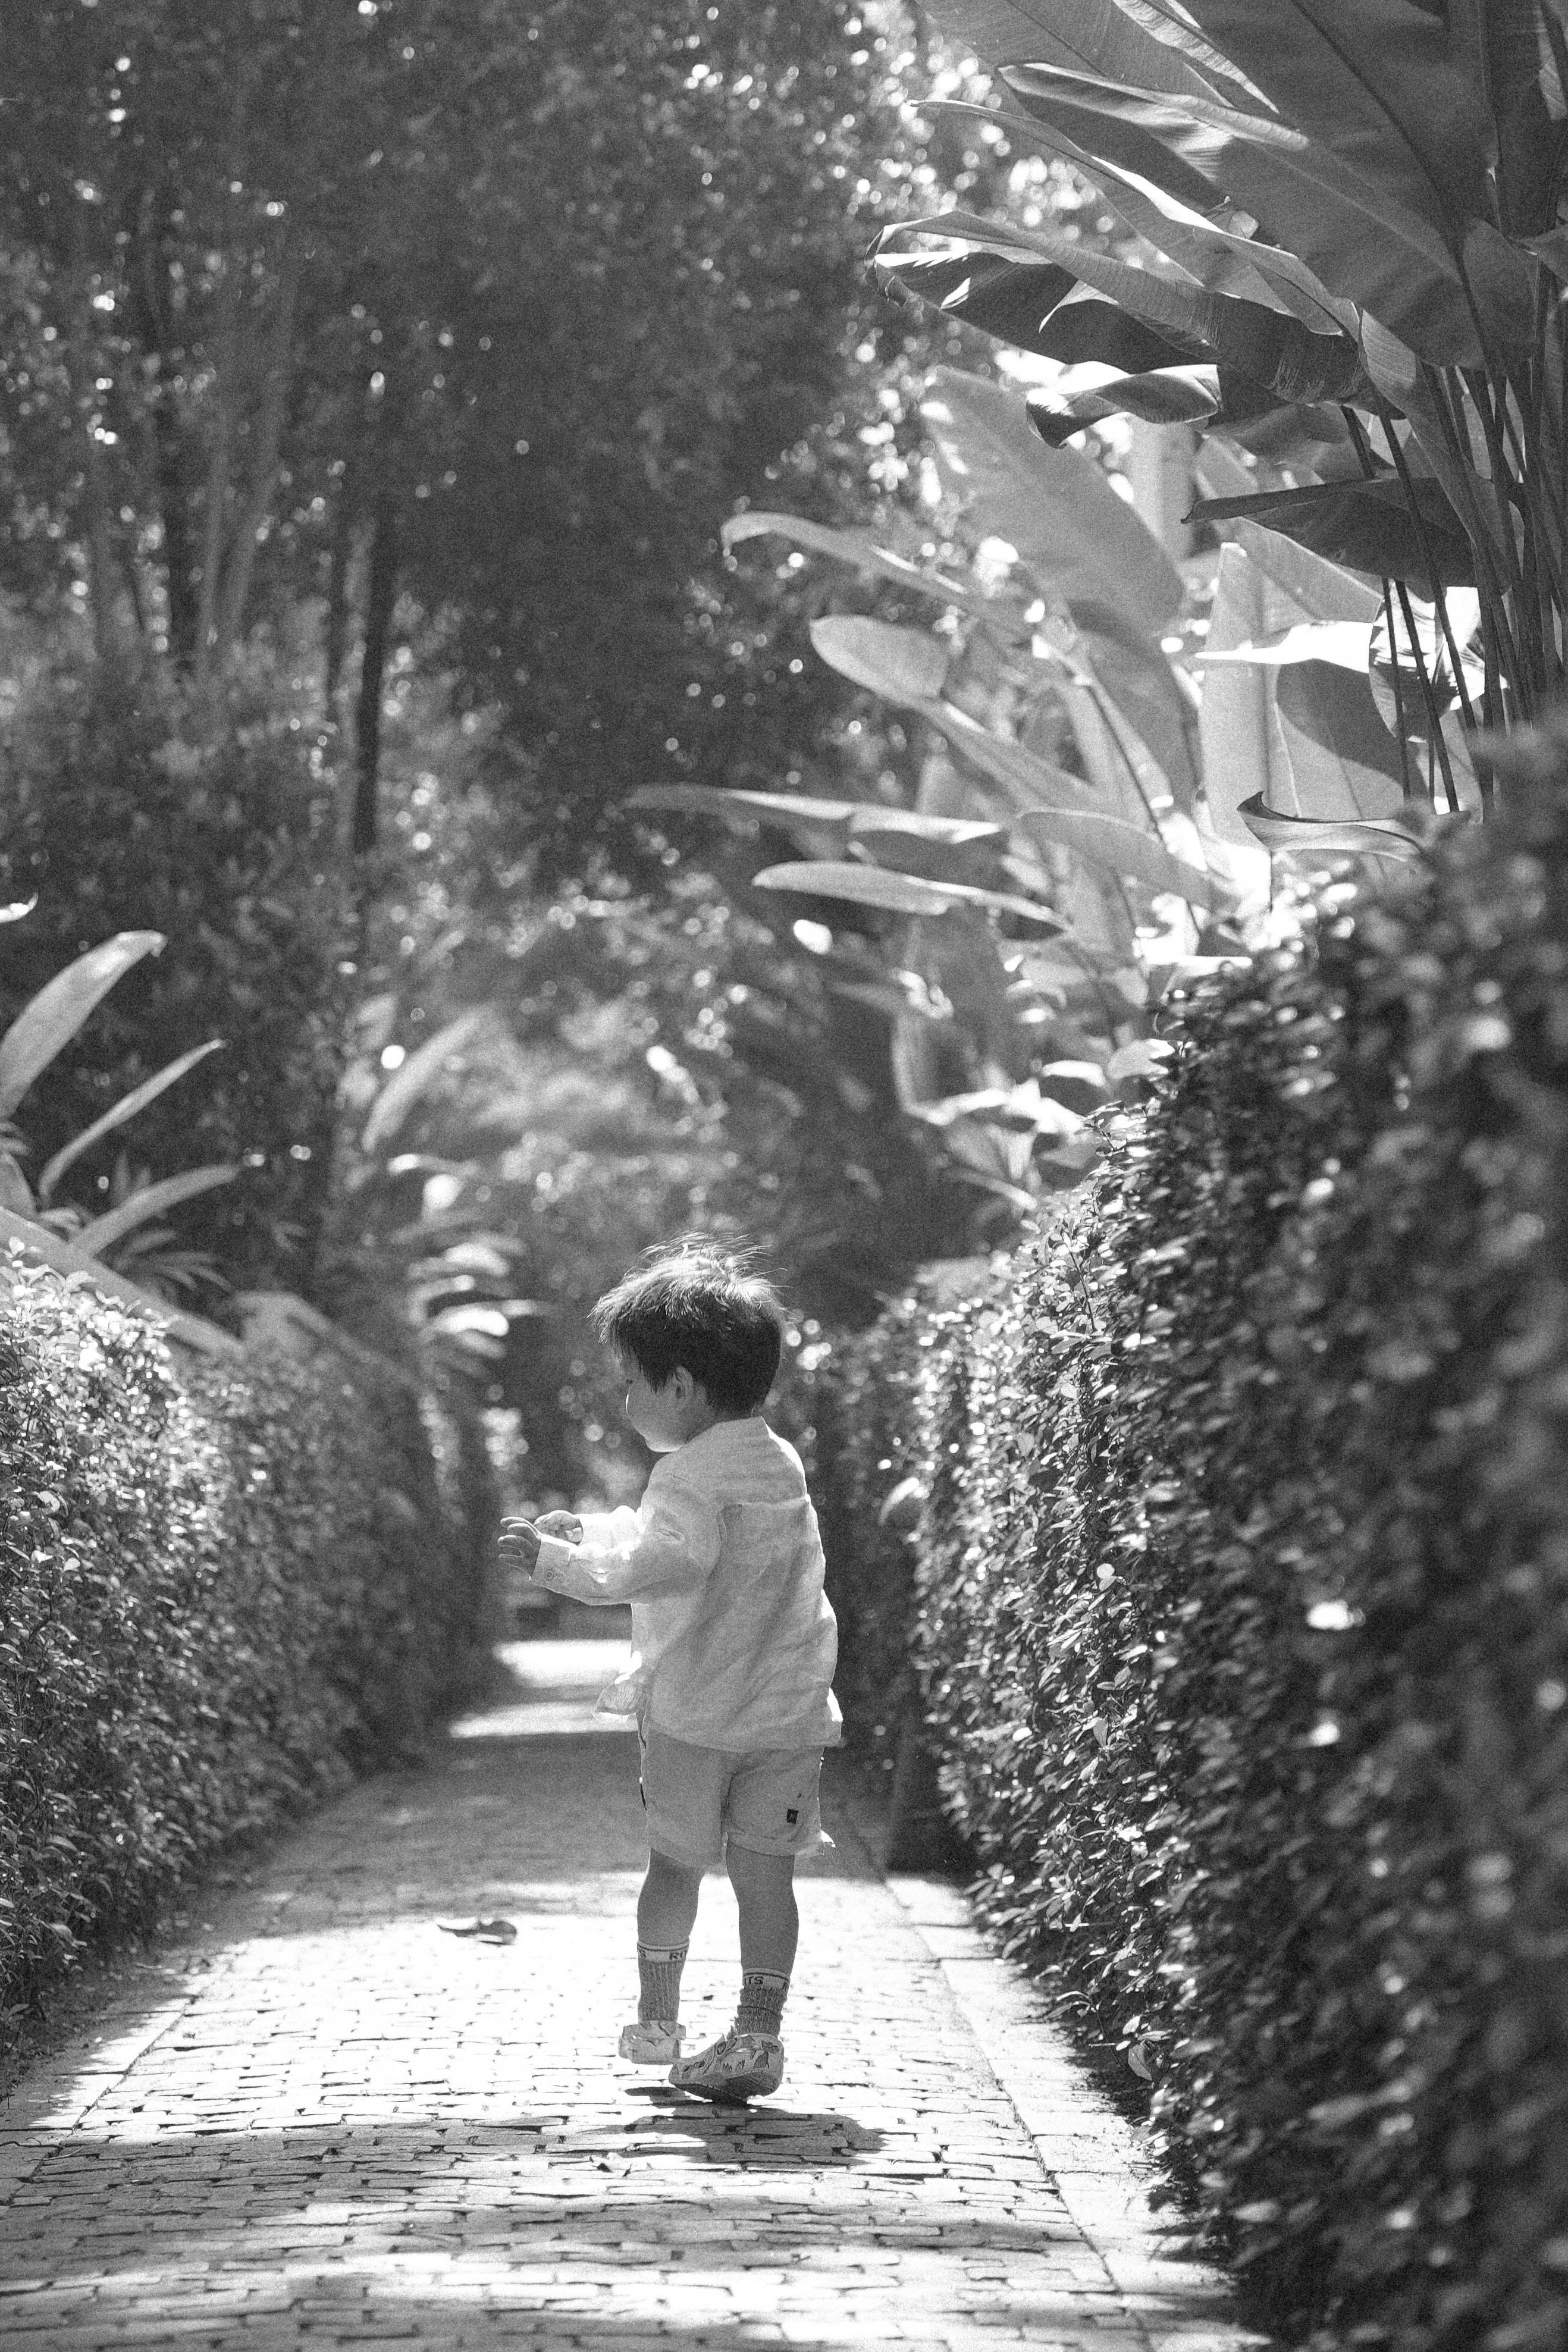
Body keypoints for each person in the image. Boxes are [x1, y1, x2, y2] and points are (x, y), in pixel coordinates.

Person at [498, 1241, 841, 2105]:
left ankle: (658, 2020)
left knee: (675, 1866)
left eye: (632, 1381)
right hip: (788, 1715)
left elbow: (663, 1563)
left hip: (697, 1715)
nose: (626, 1398)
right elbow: (669, 1536)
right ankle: (759, 2032)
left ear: (679, 1386)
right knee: (770, 1876)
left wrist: (557, 1564)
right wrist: (595, 1529)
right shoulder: (777, 1461)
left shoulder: (688, 1472)